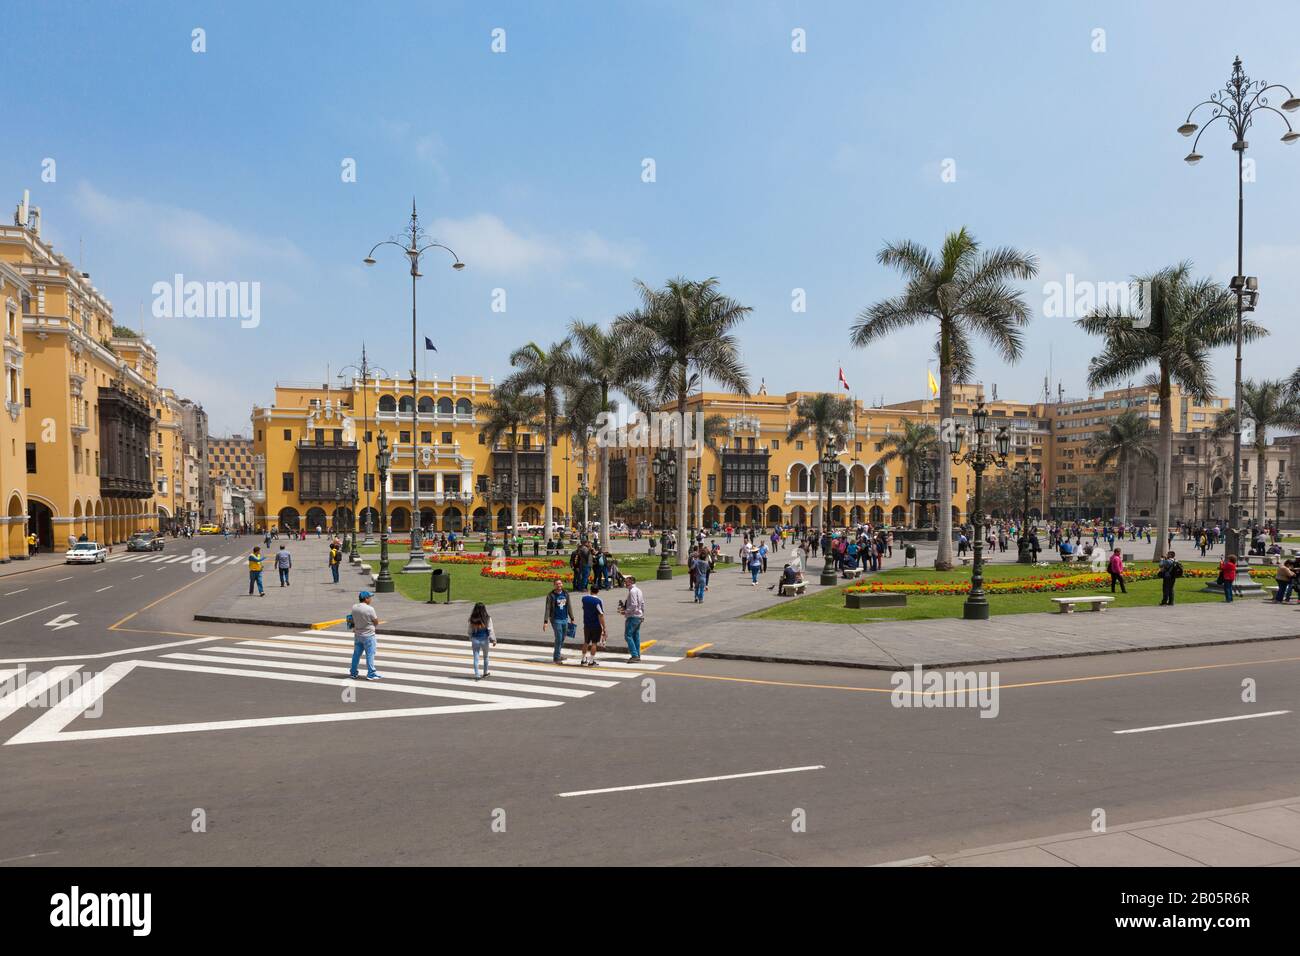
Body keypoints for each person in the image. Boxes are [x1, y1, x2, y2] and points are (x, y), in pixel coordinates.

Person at [347, 590, 382, 680]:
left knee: (356, 655)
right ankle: (371, 673)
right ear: (366, 599)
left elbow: (352, 619)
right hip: (369, 636)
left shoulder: (354, 607)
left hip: (358, 635)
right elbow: (376, 622)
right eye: (370, 597)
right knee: (370, 654)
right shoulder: (370, 609)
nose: (371, 599)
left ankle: (353, 672)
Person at [543, 579, 572, 664]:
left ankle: (558, 654)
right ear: (554, 585)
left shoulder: (565, 594)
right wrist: (545, 621)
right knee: (559, 637)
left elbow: (569, 606)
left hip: (565, 619)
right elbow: (547, 608)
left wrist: (572, 618)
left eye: (560, 583)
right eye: (557, 584)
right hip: (556, 619)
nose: (559, 585)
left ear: (562, 584)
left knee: (562, 637)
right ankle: (556, 657)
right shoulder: (551, 595)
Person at [580, 582, 606, 667]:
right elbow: (600, 614)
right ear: (598, 591)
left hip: (586, 624)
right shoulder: (598, 601)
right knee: (594, 643)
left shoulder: (584, 598)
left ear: (590, 590)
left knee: (586, 642)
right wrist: (604, 627)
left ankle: (583, 659)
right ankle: (591, 661)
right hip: (595, 625)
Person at [468, 602, 496, 680]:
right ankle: (485, 672)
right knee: (486, 657)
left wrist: (471, 638)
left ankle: (477, 674)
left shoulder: (473, 618)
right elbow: (490, 630)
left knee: (476, 657)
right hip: (484, 639)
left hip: (475, 639)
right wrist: (493, 640)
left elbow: (470, 630)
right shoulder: (487, 618)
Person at [620, 575, 644, 663]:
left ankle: (634, 655)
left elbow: (634, 604)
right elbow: (642, 603)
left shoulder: (632, 591)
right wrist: (642, 614)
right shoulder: (638, 590)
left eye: (626, 582)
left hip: (633, 616)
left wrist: (626, 611)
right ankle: (637, 654)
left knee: (628, 636)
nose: (625, 583)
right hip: (638, 616)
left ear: (630, 582)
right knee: (635, 636)